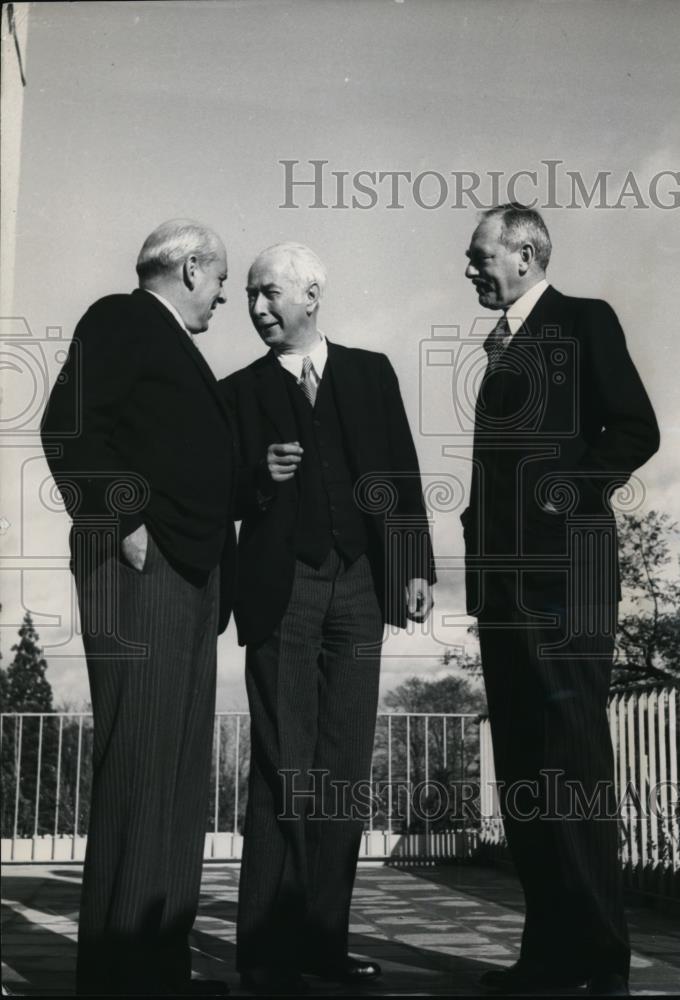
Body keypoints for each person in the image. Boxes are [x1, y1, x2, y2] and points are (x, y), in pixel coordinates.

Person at [221, 242, 435, 994]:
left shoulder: (371, 372)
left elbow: (401, 473)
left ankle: (320, 941)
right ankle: (263, 950)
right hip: (282, 591)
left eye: (269, 294)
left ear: (312, 296)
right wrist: (257, 480)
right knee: (286, 764)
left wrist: (411, 570)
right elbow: (219, 496)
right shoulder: (237, 391)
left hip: (361, 591)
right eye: (248, 295)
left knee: (342, 769)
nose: (256, 309)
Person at [461, 205, 659, 997]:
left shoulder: (583, 321)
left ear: (524, 252)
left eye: (479, 255)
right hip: (505, 593)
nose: (469, 269)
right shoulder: (501, 345)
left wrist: (559, 495)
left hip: (564, 581)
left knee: (572, 764)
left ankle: (601, 962)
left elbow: (634, 428)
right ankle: (549, 955)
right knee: (522, 772)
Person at [40, 220, 236, 996]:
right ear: (192, 267)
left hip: (189, 574)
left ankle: (160, 966)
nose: (223, 298)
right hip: (141, 570)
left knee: (179, 773)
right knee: (141, 764)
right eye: (219, 281)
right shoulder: (120, 318)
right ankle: (123, 975)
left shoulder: (175, 345)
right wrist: (121, 520)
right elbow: (67, 426)